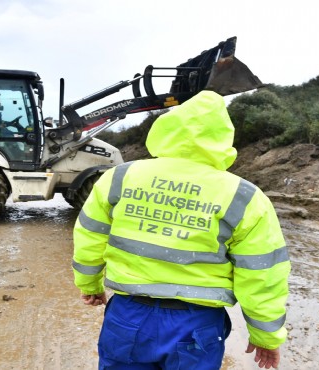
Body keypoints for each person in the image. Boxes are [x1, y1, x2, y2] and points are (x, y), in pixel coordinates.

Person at [72, 90, 290, 369]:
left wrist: (89, 284)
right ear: (223, 138)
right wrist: (265, 335)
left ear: (166, 128)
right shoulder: (244, 196)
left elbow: (89, 236)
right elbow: (262, 272)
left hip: (128, 316)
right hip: (196, 323)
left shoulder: (120, 177)